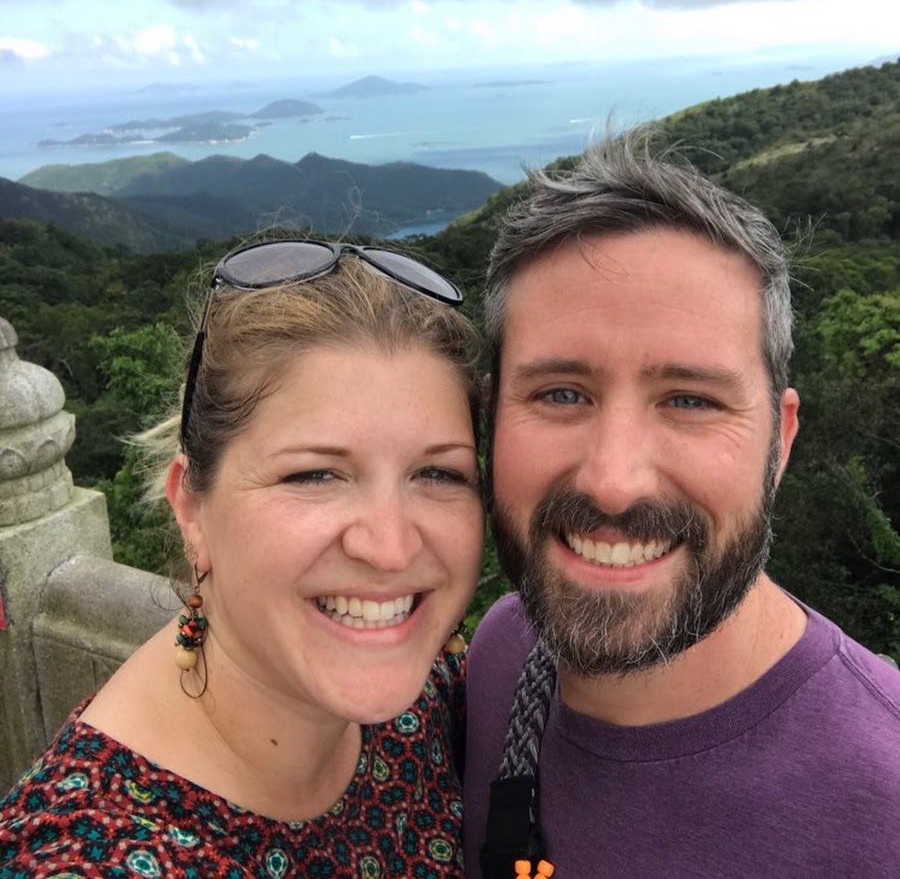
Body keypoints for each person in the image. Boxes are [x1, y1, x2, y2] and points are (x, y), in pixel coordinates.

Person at [463, 132, 900, 878]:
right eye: (561, 394)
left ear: (780, 442)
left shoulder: (883, 807)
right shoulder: (503, 652)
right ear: (491, 419)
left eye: (690, 400)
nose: (614, 482)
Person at [0, 238, 484, 877]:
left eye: (438, 474)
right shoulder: (85, 856)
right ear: (192, 507)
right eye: (313, 475)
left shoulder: (438, 695)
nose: (391, 548)